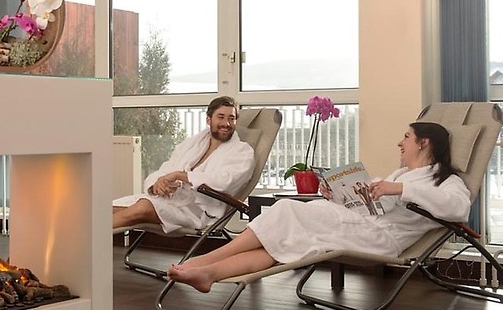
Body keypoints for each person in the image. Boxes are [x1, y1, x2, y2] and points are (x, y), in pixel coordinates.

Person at [167, 122, 471, 293]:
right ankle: (210, 273)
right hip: (359, 226)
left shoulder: (446, 180)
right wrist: (336, 194)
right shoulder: (400, 175)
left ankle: (205, 259)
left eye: (406, 137)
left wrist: (400, 189)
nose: (399, 143)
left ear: (424, 143)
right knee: (280, 243)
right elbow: (367, 207)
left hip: (380, 240)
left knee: (285, 210)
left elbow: (458, 208)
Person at [112, 96, 256, 233]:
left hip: (196, 211)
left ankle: (97, 238)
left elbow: (223, 181)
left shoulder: (242, 152)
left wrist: (178, 175)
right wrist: (157, 185)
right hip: (168, 200)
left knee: (142, 207)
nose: (226, 123)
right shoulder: (192, 144)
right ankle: (98, 241)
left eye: (231, 118)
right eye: (221, 117)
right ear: (209, 119)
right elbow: (166, 169)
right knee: (107, 208)